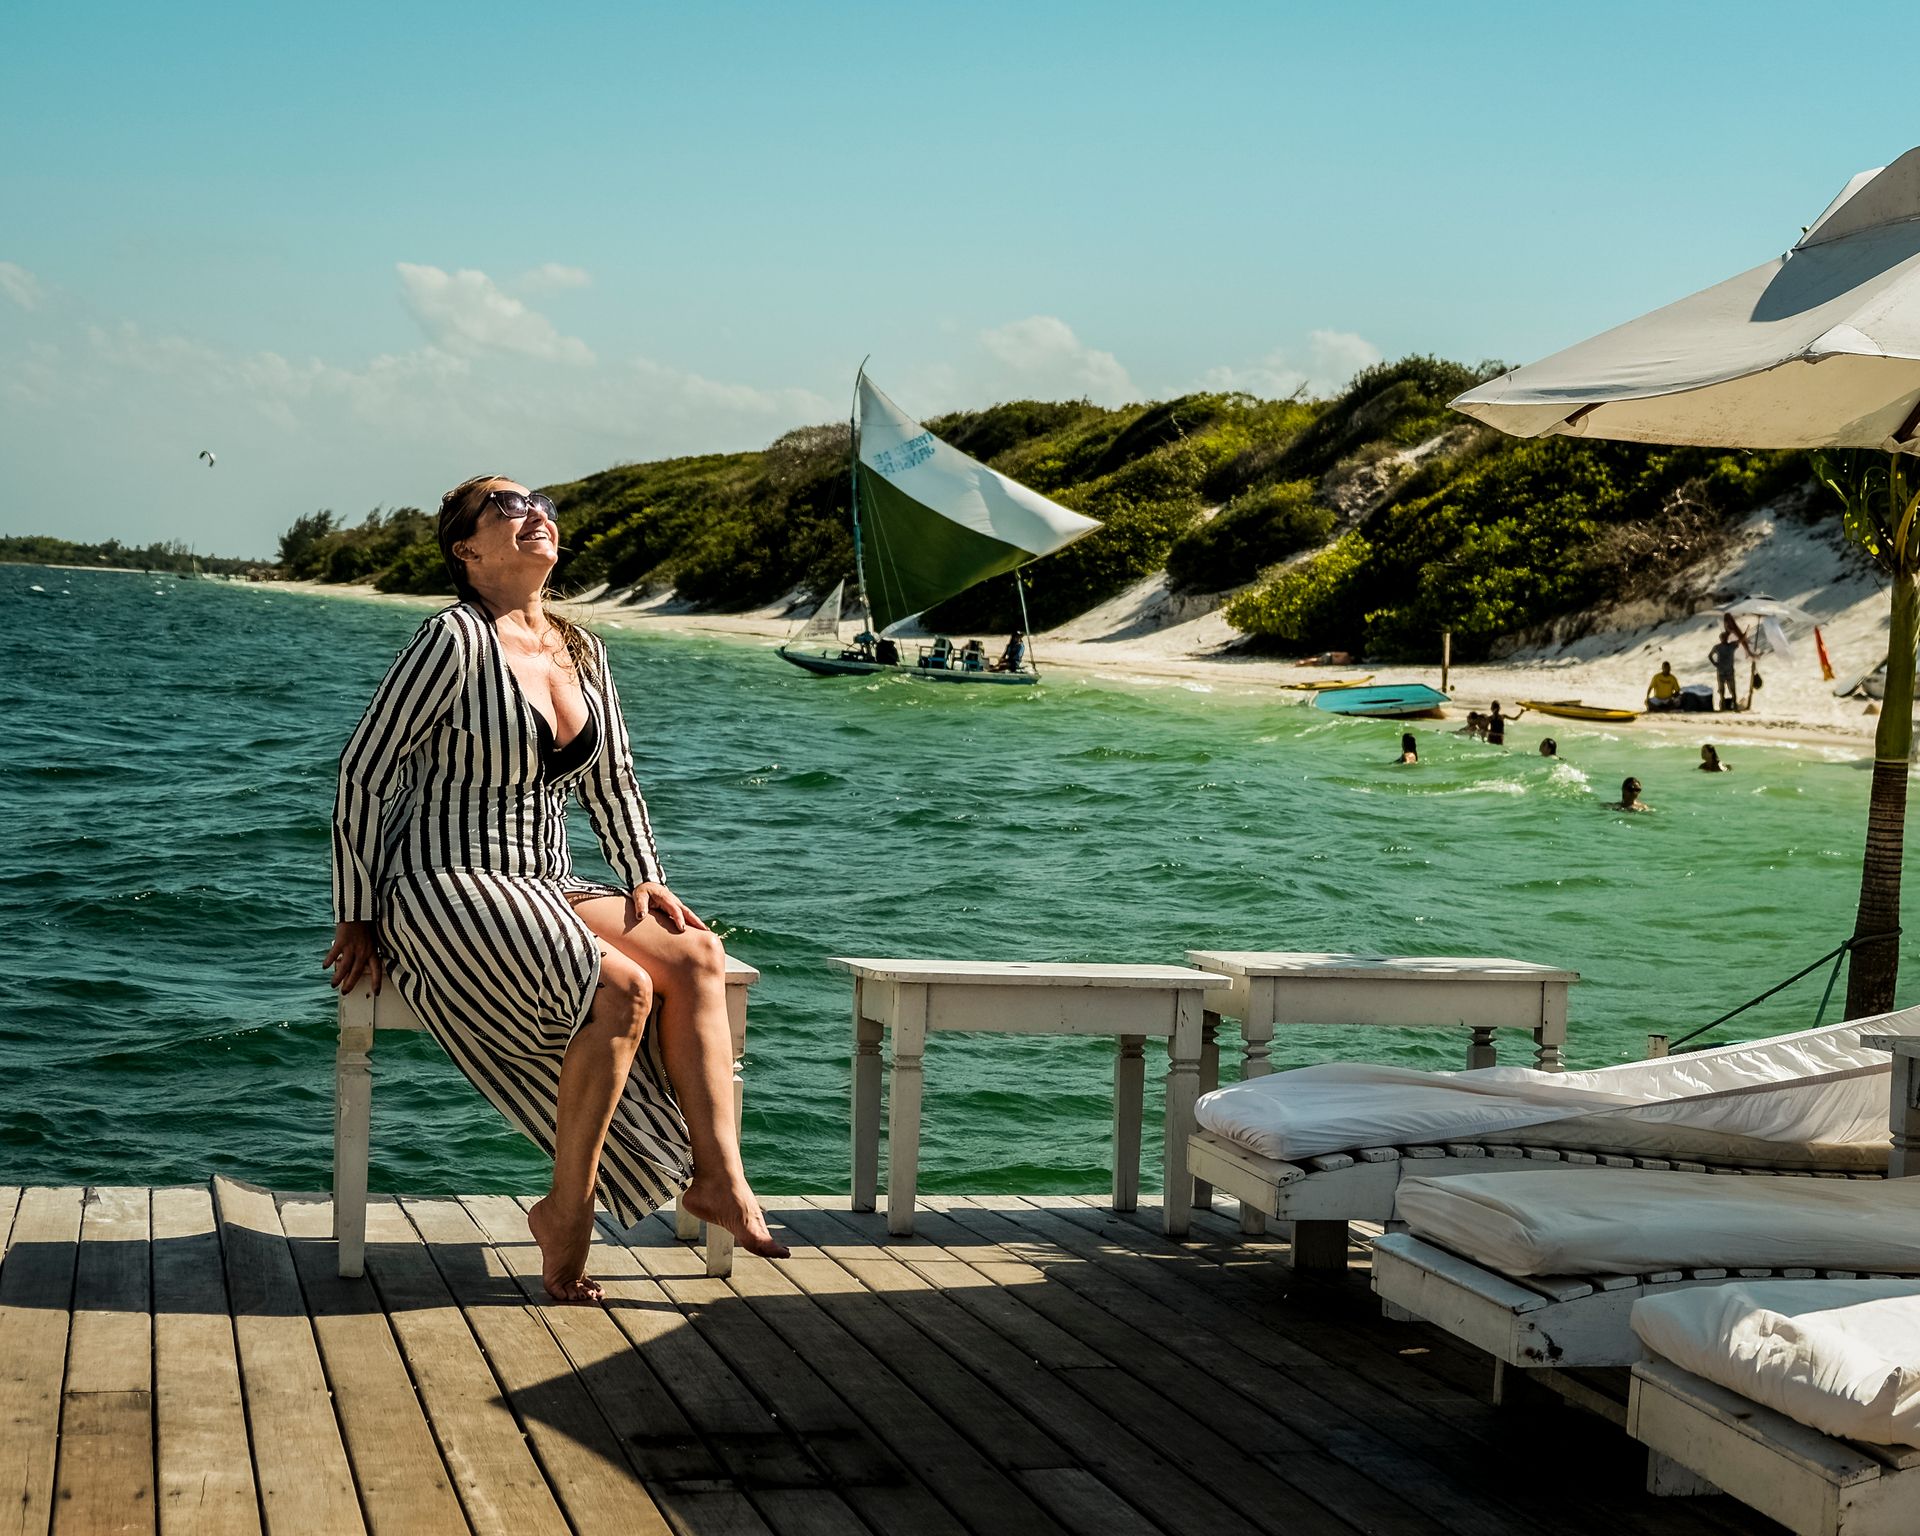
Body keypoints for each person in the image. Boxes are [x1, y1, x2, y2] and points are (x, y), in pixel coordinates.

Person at [323, 475, 788, 1303]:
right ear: (466, 550)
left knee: (696, 954)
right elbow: (363, 772)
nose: (534, 513)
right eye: (507, 507)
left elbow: (614, 779)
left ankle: (718, 1179)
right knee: (623, 988)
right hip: (443, 878)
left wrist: (644, 873)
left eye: (540, 504)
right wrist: (356, 910)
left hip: (545, 876)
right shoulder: (452, 641)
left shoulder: (581, 647)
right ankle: (567, 1212)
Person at [1709, 630, 1743, 710]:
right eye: (1722, 638)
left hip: (1729, 671)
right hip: (1721, 672)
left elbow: (1741, 640)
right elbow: (1710, 655)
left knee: (1733, 689)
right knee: (1721, 690)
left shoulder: (1732, 645)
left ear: (1727, 638)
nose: (1724, 639)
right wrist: (1714, 663)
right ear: (1720, 638)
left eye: (1725, 637)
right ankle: (1723, 706)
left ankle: (1734, 704)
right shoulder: (1717, 647)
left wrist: (1743, 633)